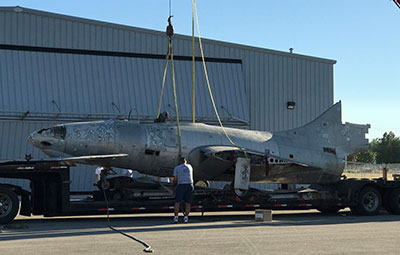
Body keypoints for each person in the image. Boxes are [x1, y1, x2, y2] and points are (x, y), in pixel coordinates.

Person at [172, 157, 194, 223]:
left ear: (179, 162)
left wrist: (174, 184)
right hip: (189, 185)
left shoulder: (177, 168)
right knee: (188, 203)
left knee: (177, 202)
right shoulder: (190, 166)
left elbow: (175, 178)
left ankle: (176, 217)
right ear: (185, 161)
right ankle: (186, 218)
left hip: (181, 185)